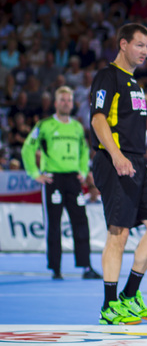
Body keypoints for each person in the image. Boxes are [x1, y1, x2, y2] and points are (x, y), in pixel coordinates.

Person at [90, 23, 147, 325]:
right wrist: (116, 155)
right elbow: (98, 120)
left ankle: (129, 294)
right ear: (123, 44)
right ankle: (109, 305)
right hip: (116, 161)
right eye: (139, 45)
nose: (144, 51)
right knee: (118, 233)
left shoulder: (135, 83)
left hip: (136, 161)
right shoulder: (107, 76)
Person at [21, 86, 101, 280]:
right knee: (54, 224)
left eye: (69, 100)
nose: (66, 103)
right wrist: (35, 173)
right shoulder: (44, 125)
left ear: (73, 104)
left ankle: (86, 267)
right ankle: (55, 269)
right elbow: (27, 148)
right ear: (56, 103)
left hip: (73, 179)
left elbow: (84, 152)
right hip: (53, 179)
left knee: (81, 222)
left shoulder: (77, 127)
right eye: (62, 100)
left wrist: (83, 171)